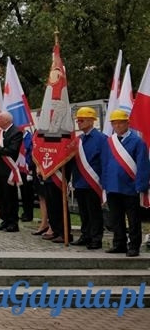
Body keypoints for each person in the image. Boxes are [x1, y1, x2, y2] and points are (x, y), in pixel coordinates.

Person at [102, 109, 150, 257]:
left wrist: (141, 186)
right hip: (112, 186)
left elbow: (143, 165)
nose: (117, 126)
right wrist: (104, 184)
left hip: (130, 186)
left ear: (127, 123)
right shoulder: (110, 142)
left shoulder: (137, 142)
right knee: (116, 217)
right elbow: (105, 163)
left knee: (133, 218)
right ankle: (119, 243)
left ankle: (134, 245)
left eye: (120, 123)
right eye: (114, 123)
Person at [68, 107, 107, 250]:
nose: (79, 122)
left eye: (82, 120)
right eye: (78, 120)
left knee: (94, 212)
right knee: (83, 212)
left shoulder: (101, 139)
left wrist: (103, 182)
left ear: (91, 121)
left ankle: (96, 238)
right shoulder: (79, 140)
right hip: (79, 181)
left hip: (93, 182)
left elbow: (104, 161)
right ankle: (85, 235)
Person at [0, 111, 21, 232]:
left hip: (9, 169)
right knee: (1, 196)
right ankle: (5, 220)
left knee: (10, 197)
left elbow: (12, 150)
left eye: (0, 119)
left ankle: (13, 222)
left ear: (7, 120)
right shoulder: (0, 132)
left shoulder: (16, 132)